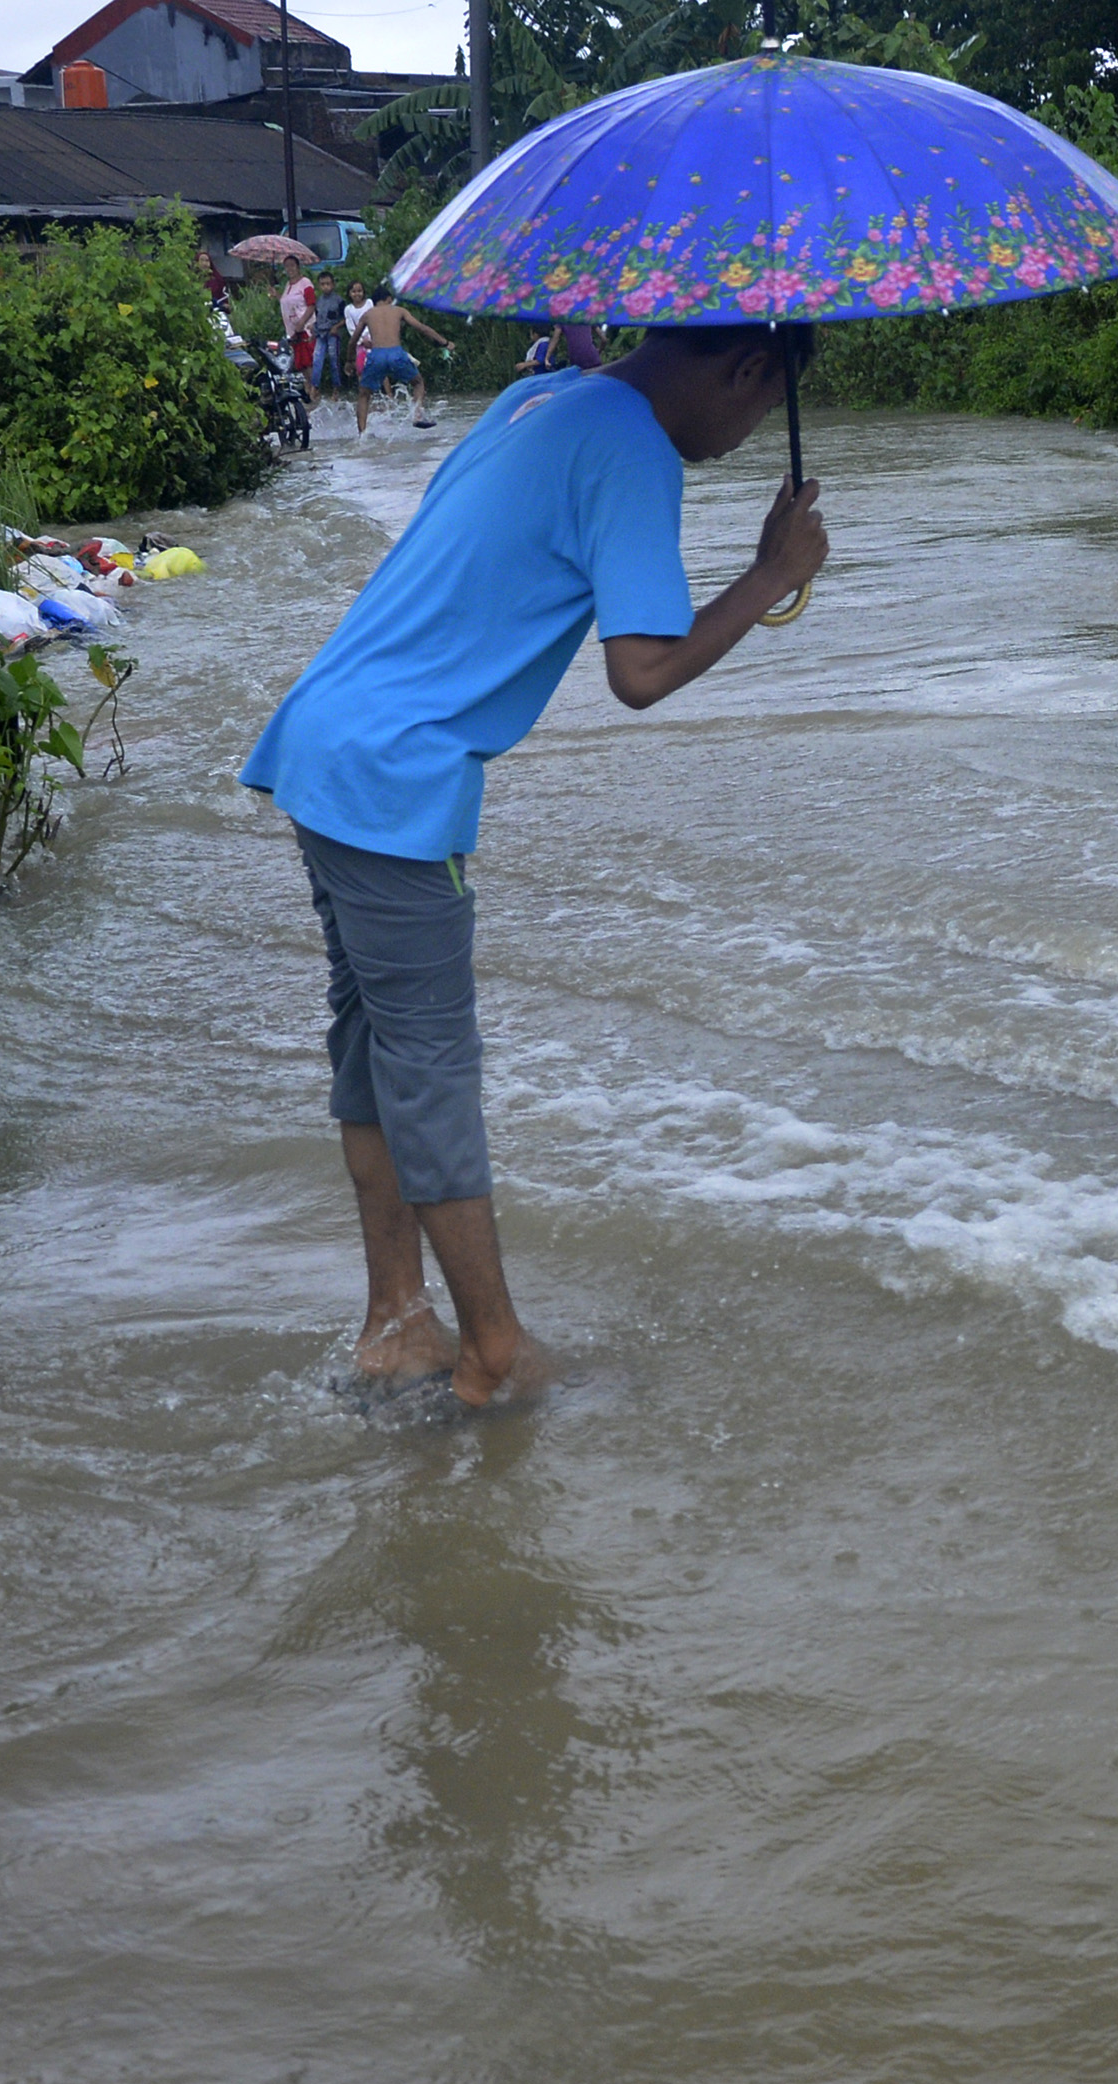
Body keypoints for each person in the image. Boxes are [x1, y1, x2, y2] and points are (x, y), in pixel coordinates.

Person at [237, 325, 832, 1406]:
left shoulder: (542, 398)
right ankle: (493, 1349)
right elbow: (640, 673)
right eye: (762, 407)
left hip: (327, 743)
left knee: (376, 1050)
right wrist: (769, 576)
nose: (747, 434)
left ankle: (396, 1320)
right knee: (430, 1067)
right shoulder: (635, 447)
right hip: (395, 780)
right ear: (750, 371)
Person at [355, 283, 455, 436]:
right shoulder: (399, 310)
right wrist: (445, 343)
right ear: (389, 299)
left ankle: (362, 435)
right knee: (418, 383)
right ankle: (417, 415)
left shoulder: (367, 314)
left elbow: (353, 341)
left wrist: (350, 361)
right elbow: (422, 328)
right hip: (396, 354)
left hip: (376, 355)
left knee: (364, 394)